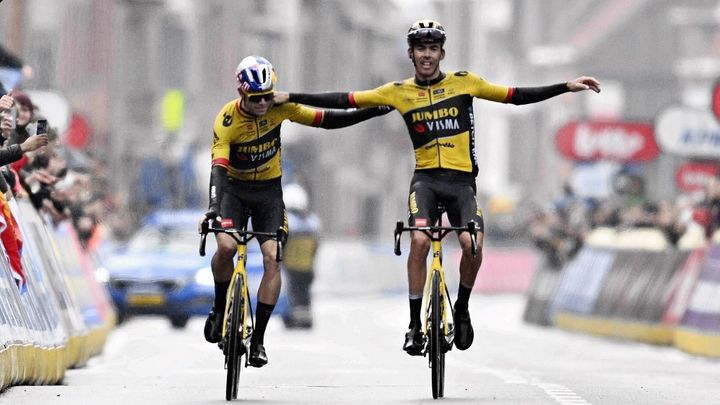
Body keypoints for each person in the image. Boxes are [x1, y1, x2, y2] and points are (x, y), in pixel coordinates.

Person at [275, 19, 601, 354]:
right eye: (420, 49)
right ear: (411, 53)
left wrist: (565, 86)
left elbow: (514, 96)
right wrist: (292, 98)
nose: (426, 55)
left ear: (442, 53)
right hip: (426, 183)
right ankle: (415, 324)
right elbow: (346, 101)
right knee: (419, 240)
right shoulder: (398, 92)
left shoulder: (465, 84)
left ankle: (461, 310)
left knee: (472, 243)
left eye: (432, 48)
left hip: (462, 184)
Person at [199, 55, 391, 367]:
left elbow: (327, 119)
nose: (262, 103)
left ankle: (258, 340)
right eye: (255, 98)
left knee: (273, 257)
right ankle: (220, 306)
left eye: (266, 96)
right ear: (241, 94)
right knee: (226, 246)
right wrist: (212, 208)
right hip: (233, 191)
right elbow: (218, 169)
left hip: (268, 194)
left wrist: (370, 112)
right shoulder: (227, 120)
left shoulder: (280, 107)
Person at [280, 182, 320, 329]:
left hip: (290, 266)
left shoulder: (287, 222)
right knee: (304, 293)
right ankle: (304, 316)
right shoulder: (312, 222)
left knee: (293, 290)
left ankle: (294, 315)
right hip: (307, 267)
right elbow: (316, 246)